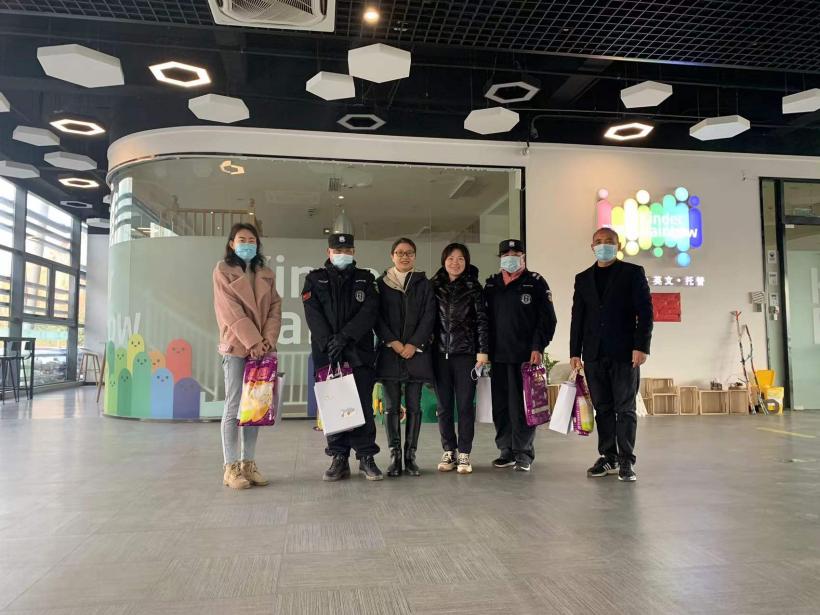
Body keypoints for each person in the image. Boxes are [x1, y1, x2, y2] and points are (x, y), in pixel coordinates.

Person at [570, 227, 653, 482]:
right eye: (598, 241)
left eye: (609, 241)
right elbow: (578, 318)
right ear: (592, 246)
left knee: (625, 408)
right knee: (603, 408)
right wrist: (574, 352)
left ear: (618, 245)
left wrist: (641, 346)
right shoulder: (583, 278)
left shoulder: (632, 273)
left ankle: (627, 460)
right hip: (593, 353)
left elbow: (645, 312)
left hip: (625, 353)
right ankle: (609, 457)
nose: (603, 245)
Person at [301, 233, 383, 482]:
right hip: (328, 354)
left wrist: (345, 337)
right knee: (334, 406)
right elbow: (312, 313)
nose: (342, 254)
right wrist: (330, 342)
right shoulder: (314, 279)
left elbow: (370, 311)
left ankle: (366, 457)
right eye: (337, 250)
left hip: (358, 352)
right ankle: (339, 457)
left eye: (347, 250)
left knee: (363, 406)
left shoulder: (366, 279)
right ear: (329, 252)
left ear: (354, 251)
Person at [213, 223, 282, 489]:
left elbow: (275, 308)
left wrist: (267, 340)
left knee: (255, 407)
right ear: (231, 243)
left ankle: (248, 464)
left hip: (262, 348)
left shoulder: (266, 273)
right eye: (242, 239)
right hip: (236, 347)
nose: (247, 244)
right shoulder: (222, 270)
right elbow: (229, 311)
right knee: (233, 406)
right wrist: (253, 341)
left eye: (252, 240)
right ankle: (230, 467)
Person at [484, 239, 557, 472]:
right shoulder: (492, 284)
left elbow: (547, 320)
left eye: (516, 254)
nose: (511, 257)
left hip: (525, 357)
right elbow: (484, 321)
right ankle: (506, 450)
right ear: (500, 258)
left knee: (523, 407)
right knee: (501, 407)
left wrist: (538, 346)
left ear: (523, 257)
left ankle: (523, 452)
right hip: (498, 356)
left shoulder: (535, 282)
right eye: (506, 254)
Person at [375, 238, 436, 477]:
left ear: (415, 256)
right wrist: (394, 342)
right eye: (399, 253)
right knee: (391, 408)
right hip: (389, 352)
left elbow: (429, 316)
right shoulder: (381, 284)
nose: (404, 257)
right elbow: (376, 317)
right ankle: (395, 457)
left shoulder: (424, 284)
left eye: (409, 253)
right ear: (392, 256)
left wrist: (413, 343)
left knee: (414, 407)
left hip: (416, 354)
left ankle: (410, 457)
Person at [431, 243, 489, 474]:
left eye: (460, 259)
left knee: (465, 406)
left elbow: (482, 321)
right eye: (451, 258)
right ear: (444, 261)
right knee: (444, 406)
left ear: (466, 262)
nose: (455, 263)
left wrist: (482, 351)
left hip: (466, 355)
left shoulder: (474, 287)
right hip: (439, 356)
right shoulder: (434, 286)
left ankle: (464, 453)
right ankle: (449, 451)